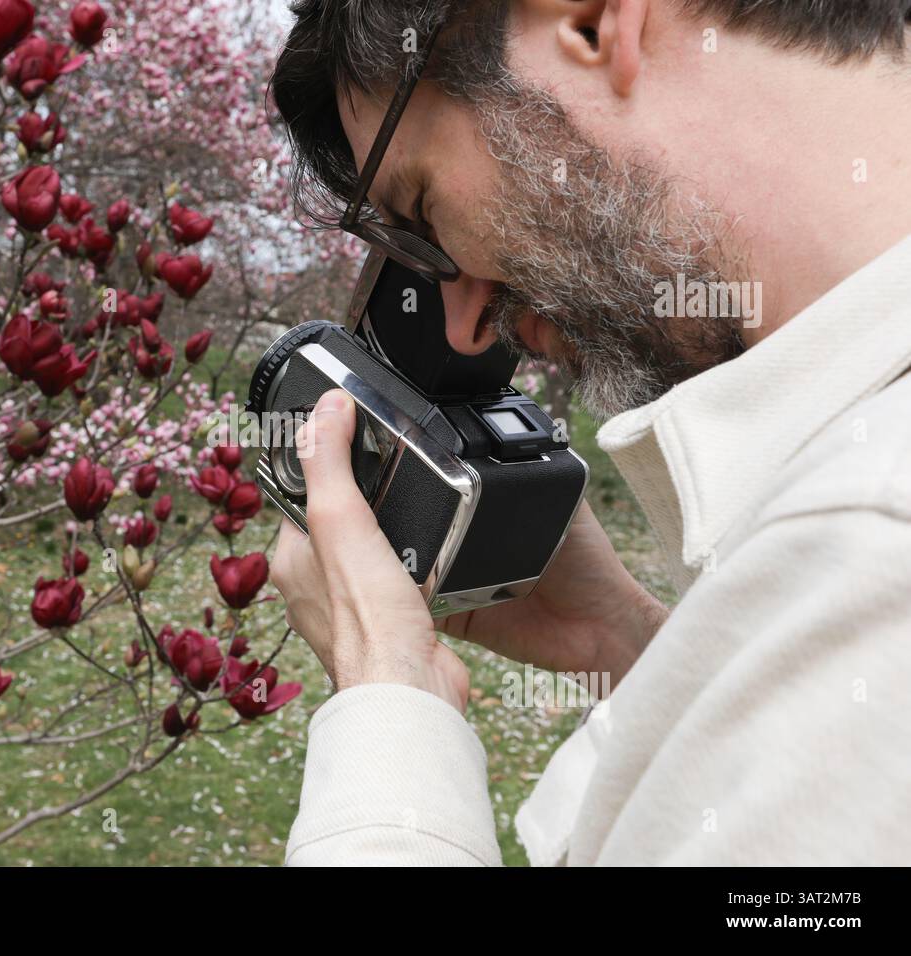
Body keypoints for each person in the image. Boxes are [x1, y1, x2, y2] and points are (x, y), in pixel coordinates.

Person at [267, 0, 911, 864]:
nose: (464, 328)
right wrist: (624, 642)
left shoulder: (874, 544)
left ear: (590, 23)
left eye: (421, 206)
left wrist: (387, 698)